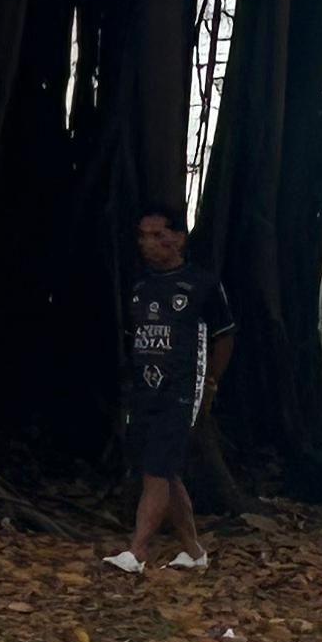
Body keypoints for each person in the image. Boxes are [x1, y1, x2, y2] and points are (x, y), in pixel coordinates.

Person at [110, 207, 232, 576]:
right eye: (143, 236)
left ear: (179, 237)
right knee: (164, 470)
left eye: (158, 234)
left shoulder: (202, 285)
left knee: (156, 471)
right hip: (146, 388)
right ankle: (194, 552)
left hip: (182, 388)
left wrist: (210, 382)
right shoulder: (140, 286)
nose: (149, 243)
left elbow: (224, 336)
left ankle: (137, 551)